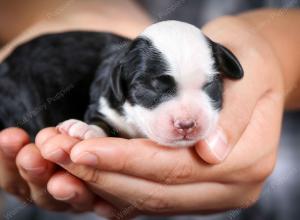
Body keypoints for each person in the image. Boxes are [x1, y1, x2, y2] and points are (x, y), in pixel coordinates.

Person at [0, 0, 299, 219]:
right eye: (159, 88)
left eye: (207, 86)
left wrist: (279, 56)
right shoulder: (109, 82)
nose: (186, 117)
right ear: (120, 84)